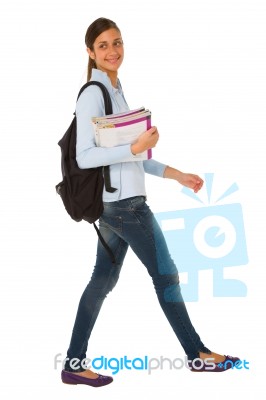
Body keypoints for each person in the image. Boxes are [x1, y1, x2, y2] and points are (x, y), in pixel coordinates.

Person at [61, 17, 239, 387]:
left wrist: (177, 174)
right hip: (125, 207)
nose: (114, 51)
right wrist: (134, 146)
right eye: (105, 45)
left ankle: (73, 365)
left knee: (101, 282)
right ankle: (198, 355)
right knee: (166, 275)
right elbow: (84, 157)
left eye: (118, 42)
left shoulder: (116, 89)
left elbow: (134, 157)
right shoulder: (93, 93)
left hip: (120, 203)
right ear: (90, 52)